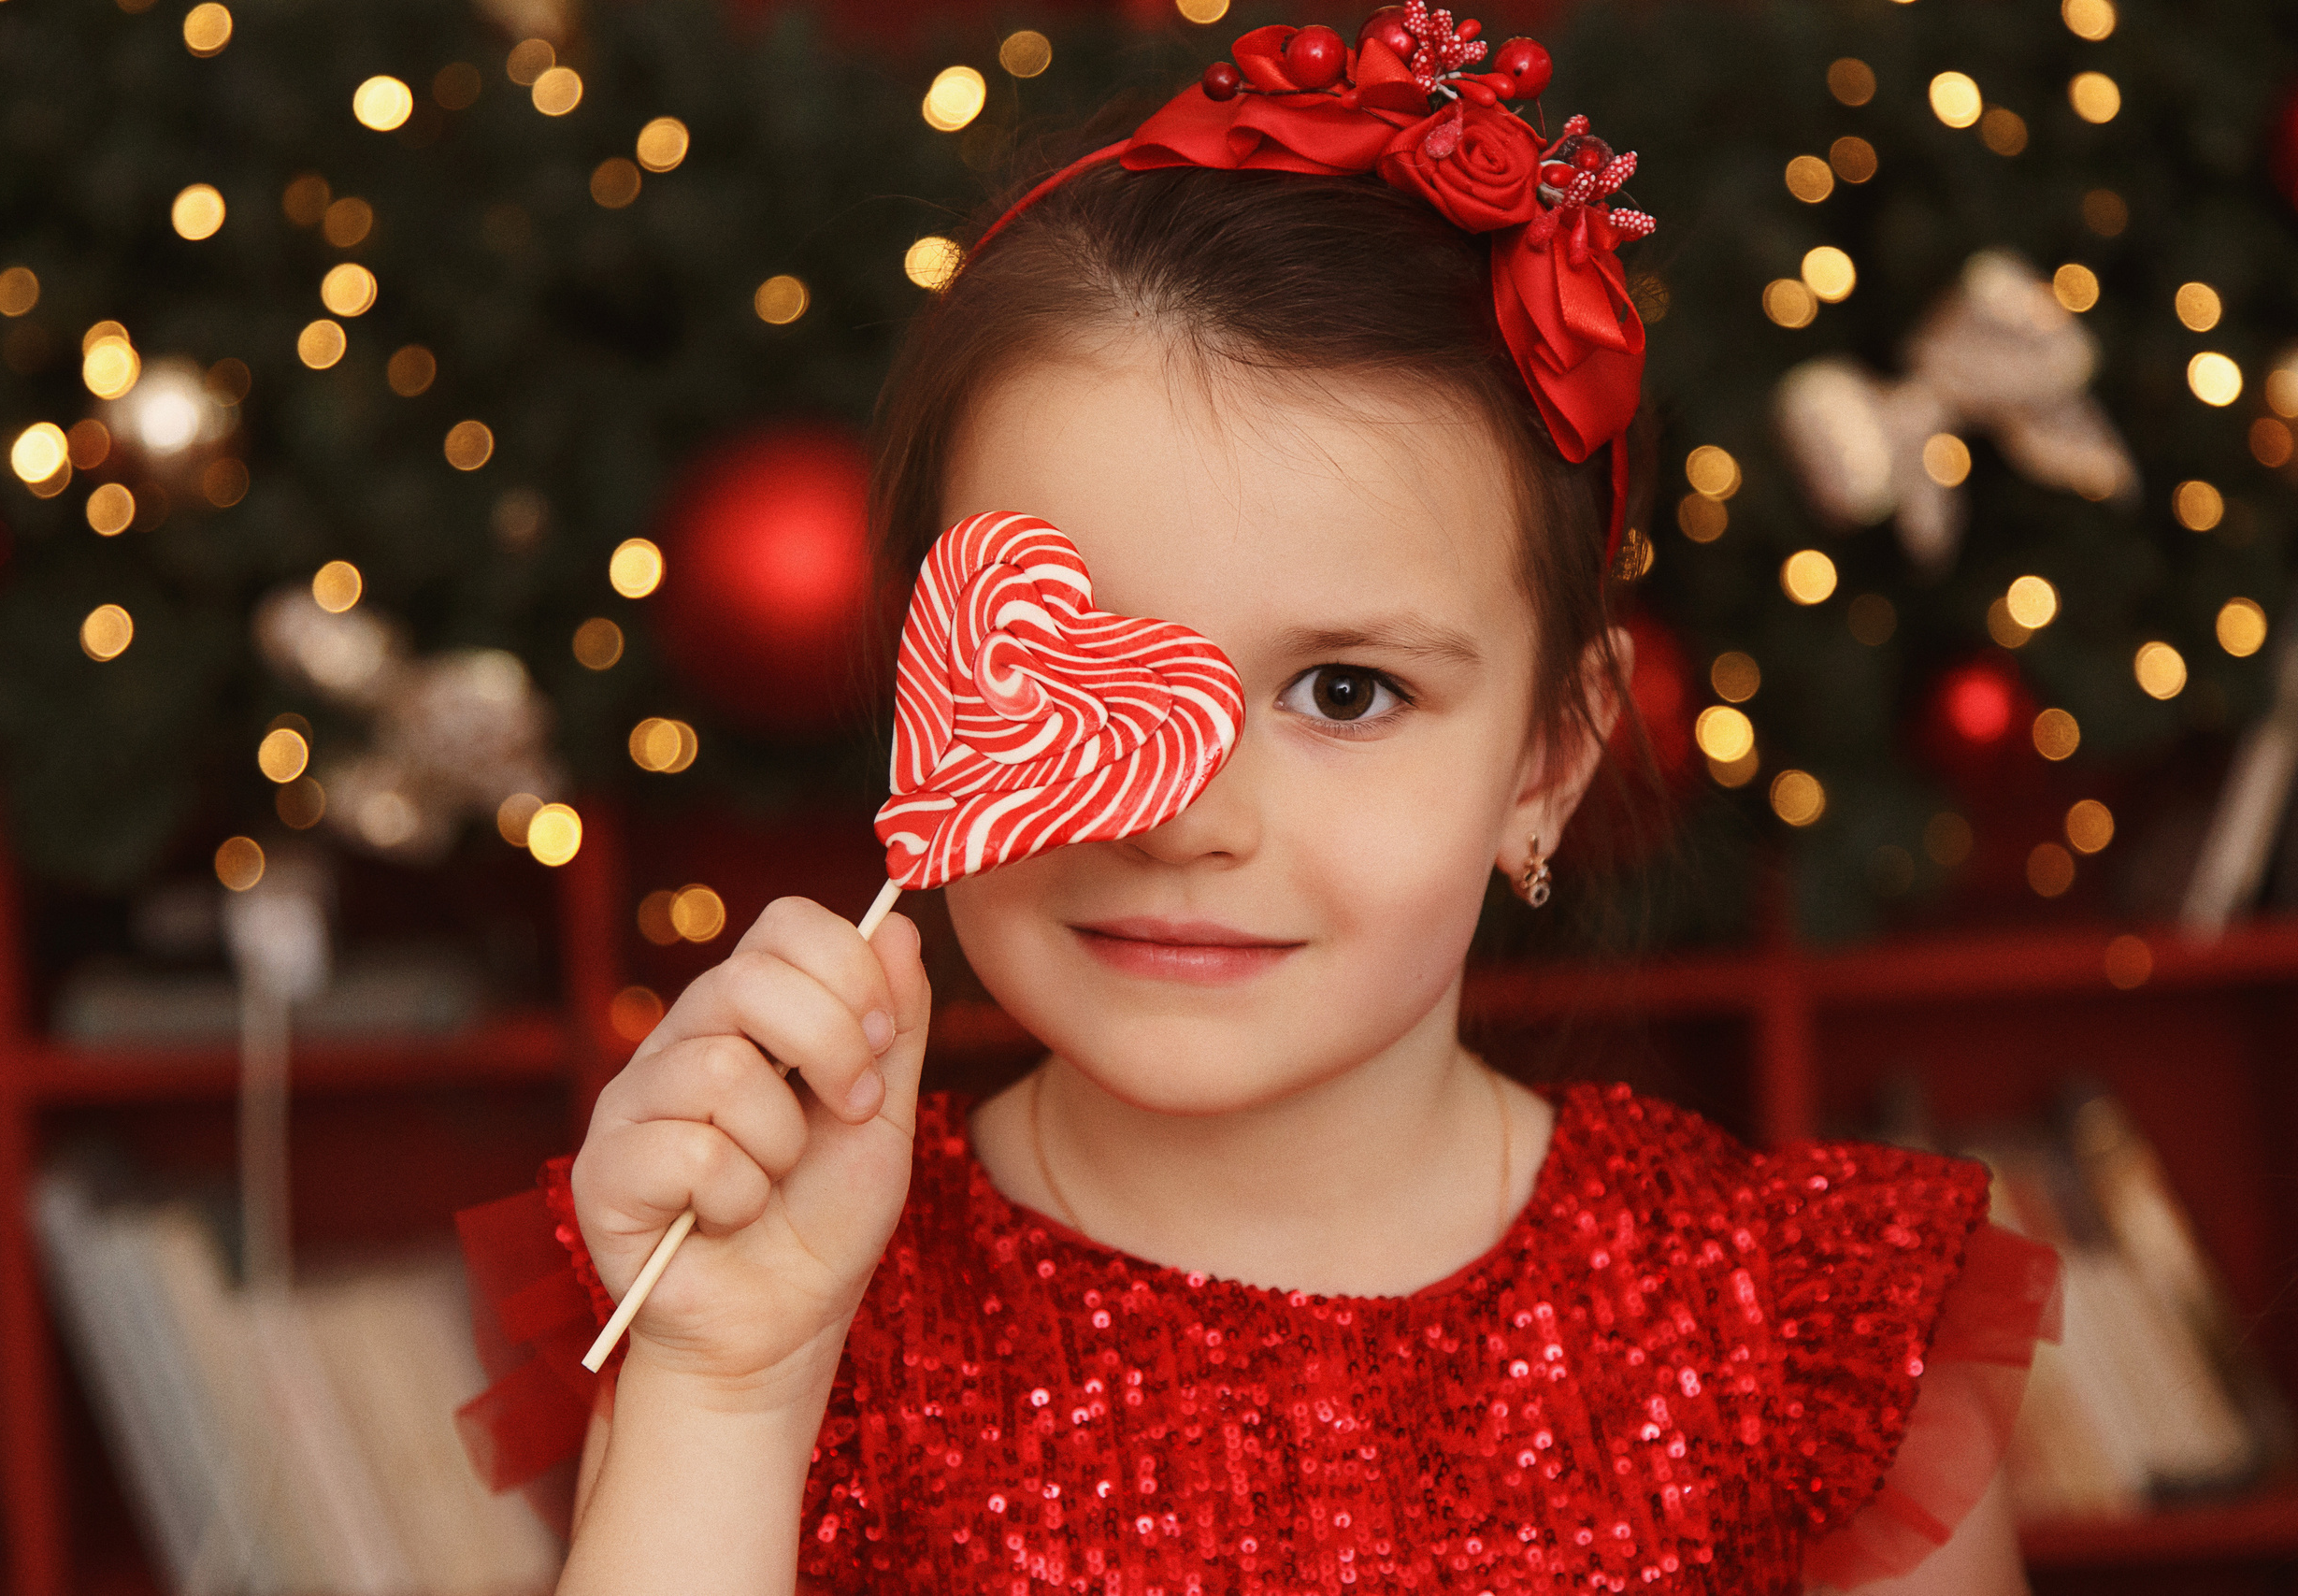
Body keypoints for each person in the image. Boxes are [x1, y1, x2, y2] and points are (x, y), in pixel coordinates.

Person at [455, 14, 2061, 1593]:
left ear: (1547, 765)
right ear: (940, 676)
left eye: (1345, 692)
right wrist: (727, 1391)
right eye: (1076, 663)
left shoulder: (1799, 1344)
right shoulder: (761, 1294)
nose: (1181, 815)